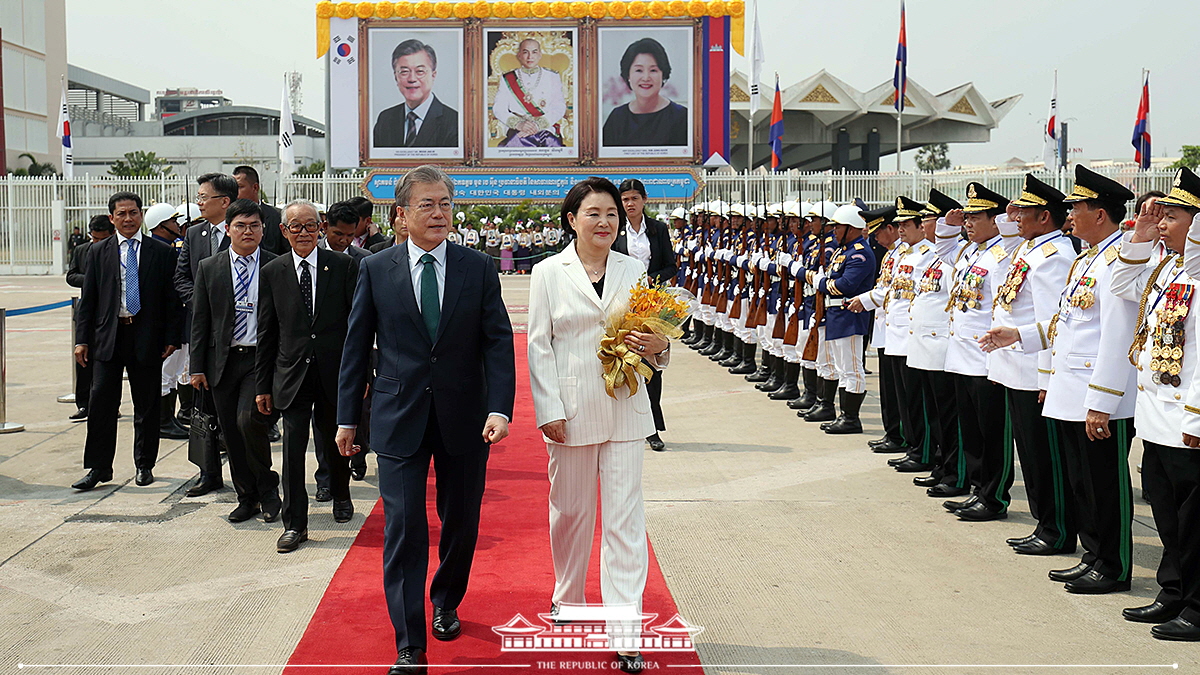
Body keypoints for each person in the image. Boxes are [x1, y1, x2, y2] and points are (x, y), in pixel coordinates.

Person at [335, 165, 515, 673]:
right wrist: (348, 417)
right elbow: (355, 348)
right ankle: (409, 642)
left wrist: (500, 408)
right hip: (398, 416)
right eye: (427, 205)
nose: (438, 213)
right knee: (405, 527)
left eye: (445, 204)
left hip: (466, 417)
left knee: (460, 521)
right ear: (401, 215)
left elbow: (497, 343)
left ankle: (446, 599)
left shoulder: (477, 267)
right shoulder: (375, 268)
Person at [527, 176, 671, 674]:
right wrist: (548, 409)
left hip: (626, 408)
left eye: (612, 213)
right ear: (572, 219)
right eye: (594, 213)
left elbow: (657, 338)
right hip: (570, 411)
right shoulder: (548, 272)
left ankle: (625, 627)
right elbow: (539, 345)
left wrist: (661, 349)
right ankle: (567, 595)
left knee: (626, 519)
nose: (605, 221)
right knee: (570, 513)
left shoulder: (636, 271)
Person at [982, 165, 1137, 593]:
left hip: (1096, 389)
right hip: (1072, 384)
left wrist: (1102, 398)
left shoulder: (1118, 262)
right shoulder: (1088, 257)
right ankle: (1093, 554)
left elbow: (1115, 335)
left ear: (1100, 214)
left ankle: (1112, 565)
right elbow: (1067, 321)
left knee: (1103, 483)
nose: (1070, 215)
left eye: (1078, 207)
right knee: (1081, 480)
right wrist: (1020, 334)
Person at [1117, 171, 1200, 639]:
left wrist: (1197, 415)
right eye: (1162, 215)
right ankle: (1174, 592)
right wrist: (1141, 236)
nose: (1162, 223)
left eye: (1172, 216)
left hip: (1186, 418)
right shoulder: (1168, 267)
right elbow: (1121, 285)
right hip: (1156, 415)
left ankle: (1197, 605)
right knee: (1168, 514)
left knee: (1193, 522)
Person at [981, 175, 1078, 554]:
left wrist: (1047, 378)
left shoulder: (1055, 258)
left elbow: (1053, 323)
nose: (1016, 217)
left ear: (1044, 217)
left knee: (1045, 458)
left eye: (1024, 212)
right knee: (1031, 455)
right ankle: (1044, 523)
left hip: (1033, 372)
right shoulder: (1031, 248)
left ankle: (1056, 530)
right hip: (1014, 368)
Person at [257, 200, 359, 552]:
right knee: (293, 451)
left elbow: (355, 327)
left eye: (310, 226)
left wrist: (359, 376)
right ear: (284, 231)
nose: (303, 233)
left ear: (321, 228)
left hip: (334, 373)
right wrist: (262, 386)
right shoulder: (273, 271)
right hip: (290, 376)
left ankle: (342, 496)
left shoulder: (343, 265)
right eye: (295, 227)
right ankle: (295, 523)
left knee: (336, 443)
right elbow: (267, 332)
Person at [71, 192, 183, 491]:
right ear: (112, 218)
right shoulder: (98, 252)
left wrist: (172, 337)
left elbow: (171, 300)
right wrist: (82, 340)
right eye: (121, 214)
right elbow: (89, 300)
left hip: (146, 337)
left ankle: (144, 465)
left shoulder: (160, 252)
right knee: (101, 403)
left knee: (146, 404)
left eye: (133, 212)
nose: (128, 218)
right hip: (108, 337)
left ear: (141, 214)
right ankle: (98, 467)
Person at [189, 199, 282, 524]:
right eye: (240, 226)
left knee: (249, 422)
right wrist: (196, 366)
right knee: (230, 432)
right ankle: (247, 497)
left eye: (254, 225)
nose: (248, 231)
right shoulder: (210, 267)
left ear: (263, 229)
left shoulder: (275, 265)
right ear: (227, 229)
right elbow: (200, 319)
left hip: (260, 360)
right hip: (223, 362)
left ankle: (269, 491)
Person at [174, 173, 239, 497]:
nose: (199, 203)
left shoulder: (243, 230)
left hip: (239, 337)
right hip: (205, 337)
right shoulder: (194, 234)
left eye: (204, 197)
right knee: (204, 412)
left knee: (238, 417)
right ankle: (209, 472)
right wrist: (201, 301)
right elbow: (182, 276)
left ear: (223, 202)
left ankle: (248, 477)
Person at [613, 178, 677, 451]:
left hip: (651, 303)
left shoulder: (657, 229)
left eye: (634, 198)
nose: (630, 204)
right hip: (620, 302)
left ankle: (652, 428)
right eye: (625, 199)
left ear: (644, 200)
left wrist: (650, 280)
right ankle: (622, 425)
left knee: (651, 364)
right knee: (621, 359)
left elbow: (671, 266)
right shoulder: (614, 229)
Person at [808, 204, 876, 434]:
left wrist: (821, 283)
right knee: (840, 367)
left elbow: (845, 285)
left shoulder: (860, 252)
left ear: (851, 228)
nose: (834, 230)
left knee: (852, 368)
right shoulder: (843, 250)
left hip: (850, 316)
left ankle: (851, 418)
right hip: (836, 314)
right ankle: (843, 415)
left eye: (838, 226)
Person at [145, 202, 191, 441]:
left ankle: (169, 418)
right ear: (161, 225)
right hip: (164, 324)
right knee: (166, 373)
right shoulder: (159, 251)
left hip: (177, 321)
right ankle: (162, 421)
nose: (177, 225)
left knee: (173, 373)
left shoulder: (170, 248)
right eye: (173, 221)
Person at [65, 215, 116, 422]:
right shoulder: (81, 250)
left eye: (102, 239)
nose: (97, 243)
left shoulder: (118, 251)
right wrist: (92, 280)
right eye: (94, 238)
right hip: (88, 314)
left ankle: (111, 404)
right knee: (83, 362)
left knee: (108, 364)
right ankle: (83, 404)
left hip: (110, 317)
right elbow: (71, 275)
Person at [601, 38, 688, 147]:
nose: (646, 78)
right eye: (639, 70)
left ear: (663, 75)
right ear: (628, 75)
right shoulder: (617, 117)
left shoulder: (682, 117)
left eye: (653, 70)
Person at [374, 40, 459, 148]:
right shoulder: (385, 119)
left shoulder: (454, 122)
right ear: (396, 77)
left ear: (433, 75)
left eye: (420, 71)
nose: (412, 79)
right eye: (404, 71)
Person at [492, 38, 567, 147]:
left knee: (552, 144)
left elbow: (559, 107)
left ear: (540, 55)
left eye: (534, 52)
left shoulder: (552, 77)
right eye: (525, 52)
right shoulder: (508, 78)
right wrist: (519, 124)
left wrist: (538, 125)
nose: (530, 56)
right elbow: (499, 108)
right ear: (519, 55)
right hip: (517, 130)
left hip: (545, 129)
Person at [233, 165, 287, 255]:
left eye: (239, 187)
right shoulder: (227, 217)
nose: (234, 192)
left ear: (255, 188)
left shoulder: (277, 217)